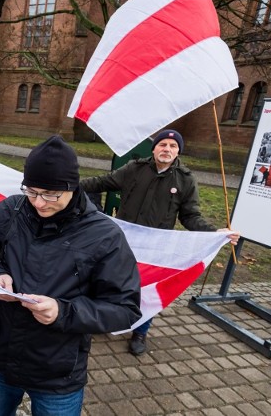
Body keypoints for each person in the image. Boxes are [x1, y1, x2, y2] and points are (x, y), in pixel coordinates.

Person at [0, 136, 141, 416]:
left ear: (72, 187)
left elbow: (125, 308)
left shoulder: (104, 235)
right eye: (32, 191)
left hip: (58, 375)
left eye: (50, 194)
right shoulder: (10, 211)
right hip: (0, 357)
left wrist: (63, 311)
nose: (39, 203)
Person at [80, 129, 240, 356]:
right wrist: (67, 185)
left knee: (145, 288)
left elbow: (190, 216)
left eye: (172, 146)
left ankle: (140, 331)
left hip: (156, 248)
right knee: (109, 280)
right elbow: (101, 182)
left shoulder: (185, 180)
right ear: (154, 148)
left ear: (178, 152)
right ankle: (104, 319)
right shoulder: (134, 169)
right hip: (123, 239)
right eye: (162, 144)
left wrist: (214, 232)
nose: (167, 149)